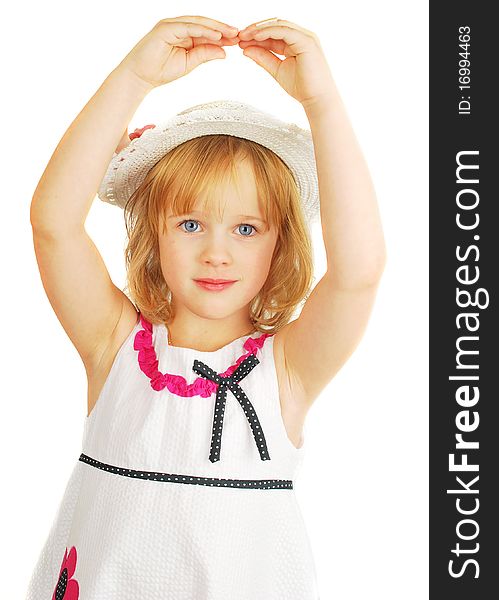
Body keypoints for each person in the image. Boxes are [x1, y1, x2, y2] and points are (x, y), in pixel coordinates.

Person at [27, 14, 386, 600]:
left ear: (281, 243)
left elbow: (359, 272)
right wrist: (134, 75)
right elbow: (53, 223)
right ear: (154, 234)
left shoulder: (285, 372)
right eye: (190, 223)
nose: (216, 253)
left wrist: (321, 101)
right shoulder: (114, 346)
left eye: (246, 228)